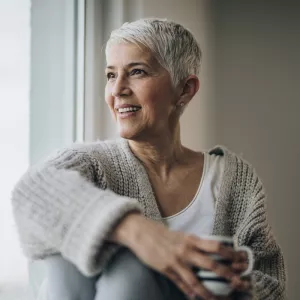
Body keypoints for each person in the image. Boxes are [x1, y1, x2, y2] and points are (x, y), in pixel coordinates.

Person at [12, 18, 286, 300]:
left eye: (137, 72)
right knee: (92, 253)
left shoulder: (232, 180)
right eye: (110, 75)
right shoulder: (91, 164)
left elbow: (270, 282)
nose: (117, 89)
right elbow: (30, 192)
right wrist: (139, 233)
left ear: (185, 89)